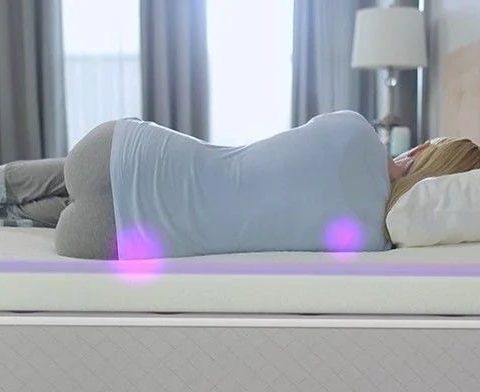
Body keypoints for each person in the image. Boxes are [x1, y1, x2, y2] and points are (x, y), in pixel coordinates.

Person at [1, 112, 479, 258]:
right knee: (63, 212)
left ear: (422, 150)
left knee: (65, 176)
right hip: (106, 241)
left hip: (121, 152)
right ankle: (18, 215)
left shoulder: (357, 132)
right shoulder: (372, 239)